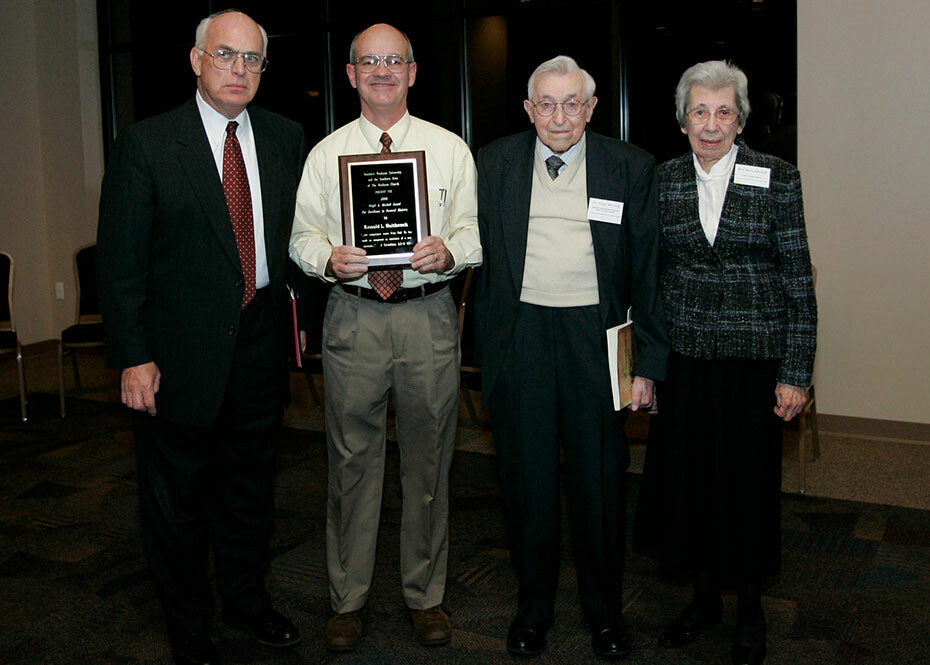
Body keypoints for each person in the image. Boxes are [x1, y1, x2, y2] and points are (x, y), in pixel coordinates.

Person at [96, 10, 305, 665]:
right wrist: (133, 355)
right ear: (196, 60)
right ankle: (188, 623)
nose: (239, 69)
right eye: (225, 55)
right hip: (176, 356)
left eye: (252, 59)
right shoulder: (148, 143)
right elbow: (121, 264)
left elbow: (300, 239)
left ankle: (247, 602)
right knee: (176, 502)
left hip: (260, 344)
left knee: (249, 492)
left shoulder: (285, 136)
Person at [288, 23, 481, 652]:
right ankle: (348, 599)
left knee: (430, 458)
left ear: (414, 71)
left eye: (393, 61)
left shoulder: (450, 149)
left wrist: (446, 251)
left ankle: (426, 595)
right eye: (368, 62)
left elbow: (474, 236)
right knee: (351, 460)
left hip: (427, 315)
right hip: (354, 314)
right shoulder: (326, 155)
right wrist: (328, 259)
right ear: (350, 75)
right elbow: (301, 238)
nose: (381, 71)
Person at [474, 55, 668, 659]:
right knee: (527, 484)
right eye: (546, 104)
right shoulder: (495, 162)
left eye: (572, 103)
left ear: (591, 108)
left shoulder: (630, 167)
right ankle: (532, 611)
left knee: (600, 481)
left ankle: (605, 614)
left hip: (597, 339)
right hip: (522, 338)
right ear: (529, 109)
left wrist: (647, 365)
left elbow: (648, 274)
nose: (559, 116)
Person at [633, 60, 817, 665]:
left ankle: (749, 610)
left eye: (723, 111)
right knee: (690, 484)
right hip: (686, 359)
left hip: (753, 362)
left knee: (747, 488)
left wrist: (796, 372)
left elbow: (798, 280)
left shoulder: (778, 177)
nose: (710, 124)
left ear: (741, 119)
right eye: (699, 111)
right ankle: (704, 597)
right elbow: (650, 279)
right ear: (682, 118)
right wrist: (648, 365)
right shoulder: (661, 180)